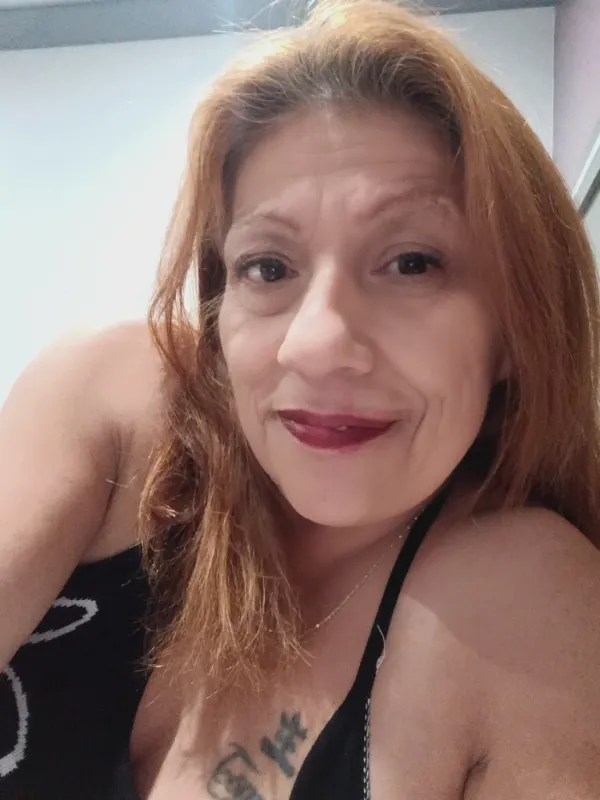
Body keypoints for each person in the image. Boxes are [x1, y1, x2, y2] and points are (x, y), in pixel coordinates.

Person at [1, 1, 600, 798]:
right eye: (268, 267)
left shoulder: (527, 610)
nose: (314, 344)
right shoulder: (116, 402)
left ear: (517, 329)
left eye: (412, 262)